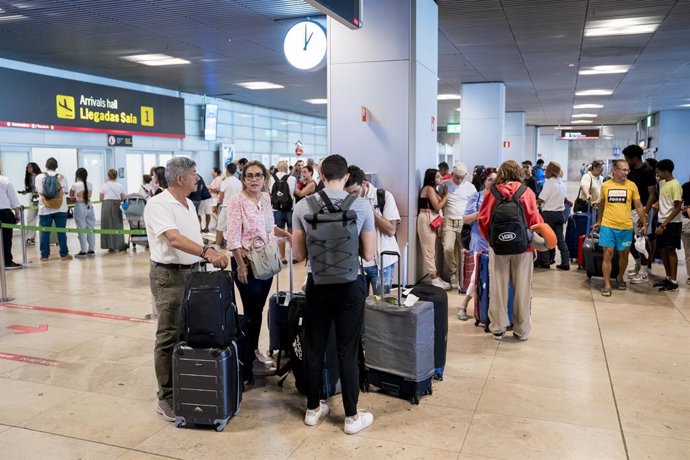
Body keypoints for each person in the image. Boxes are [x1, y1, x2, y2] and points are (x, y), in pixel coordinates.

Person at [292, 154, 375, 435]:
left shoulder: (303, 206)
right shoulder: (361, 205)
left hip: (317, 285)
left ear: (321, 176)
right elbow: (369, 253)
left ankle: (313, 409)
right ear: (346, 177)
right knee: (347, 349)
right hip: (350, 286)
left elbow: (298, 254)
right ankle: (352, 416)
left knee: (314, 347)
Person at [145, 157, 229, 422]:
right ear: (180, 178)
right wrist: (207, 251)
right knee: (169, 336)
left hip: (193, 275)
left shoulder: (189, 205)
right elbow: (174, 239)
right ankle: (166, 397)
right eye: (194, 174)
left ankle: (185, 387)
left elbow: (190, 239)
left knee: (188, 333)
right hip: (169, 277)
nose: (198, 178)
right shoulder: (158, 204)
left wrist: (210, 251)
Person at [225, 161, 292, 376]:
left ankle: (252, 352)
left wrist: (288, 235)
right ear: (243, 179)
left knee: (259, 309)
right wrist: (241, 265)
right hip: (247, 262)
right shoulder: (237, 202)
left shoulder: (264, 198)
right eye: (249, 176)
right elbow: (233, 237)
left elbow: (268, 227)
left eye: (258, 175)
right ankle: (248, 357)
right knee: (252, 310)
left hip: (266, 261)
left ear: (265, 179)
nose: (254, 180)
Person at [478, 160, 543, 340]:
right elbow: (535, 221)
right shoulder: (527, 192)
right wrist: (533, 244)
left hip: (498, 248)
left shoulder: (492, 193)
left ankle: (498, 328)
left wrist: (492, 241)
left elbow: (483, 220)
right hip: (523, 248)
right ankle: (521, 330)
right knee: (522, 289)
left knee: (498, 288)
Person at [592, 159, 647, 297]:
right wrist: (599, 221)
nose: (626, 172)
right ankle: (606, 284)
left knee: (624, 255)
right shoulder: (606, 185)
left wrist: (645, 223)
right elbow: (602, 204)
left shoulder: (632, 185)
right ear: (614, 170)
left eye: (627, 170)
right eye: (623, 170)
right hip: (608, 225)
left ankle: (620, 277)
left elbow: (639, 205)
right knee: (607, 254)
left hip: (626, 226)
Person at [344, 164, 400, 294]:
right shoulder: (345, 201)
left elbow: (391, 230)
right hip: (357, 263)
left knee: (381, 305)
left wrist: (369, 212)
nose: (352, 197)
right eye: (348, 193)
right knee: (358, 303)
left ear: (364, 183)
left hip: (382, 263)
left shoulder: (384, 197)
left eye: (355, 192)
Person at [458, 167, 497, 320]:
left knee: (492, 276)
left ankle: (484, 306)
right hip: (479, 240)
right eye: (490, 180)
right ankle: (464, 304)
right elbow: (466, 219)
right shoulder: (476, 197)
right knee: (478, 273)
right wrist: (482, 213)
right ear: (483, 181)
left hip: (495, 240)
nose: (493, 182)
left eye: (495, 179)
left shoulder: (500, 197)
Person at [623, 145, 657, 284]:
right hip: (629, 211)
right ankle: (638, 264)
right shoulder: (630, 173)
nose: (626, 162)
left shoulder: (647, 172)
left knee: (642, 241)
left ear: (635, 158)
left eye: (627, 159)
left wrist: (644, 213)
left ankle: (644, 271)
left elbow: (652, 194)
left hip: (641, 209)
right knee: (630, 240)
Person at [441, 162, 476, 289]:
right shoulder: (445, 185)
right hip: (449, 220)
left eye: (462, 178)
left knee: (464, 251)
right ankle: (453, 273)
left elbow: (473, 206)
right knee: (447, 248)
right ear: (452, 174)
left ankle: (464, 276)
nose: (459, 180)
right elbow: (440, 202)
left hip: (464, 221)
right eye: (457, 177)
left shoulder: (471, 187)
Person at [417, 168, 450, 290]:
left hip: (429, 219)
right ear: (431, 178)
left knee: (431, 249)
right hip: (426, 219)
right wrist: (446, 196)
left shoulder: (432, 190)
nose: (440, 178)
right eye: (437, 177)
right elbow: (437, 206)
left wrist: (442, 195)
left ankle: (435, 276)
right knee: (429, 250)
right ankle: (434, 278)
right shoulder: (429, 189)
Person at [653, 159, 683, 291]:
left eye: (659, 171)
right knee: (662, 250)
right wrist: (657, 205)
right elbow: (665, 201)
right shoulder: (662, 183)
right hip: (661, 221)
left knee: (670, 250)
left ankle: (674, 282)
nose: (657, 174)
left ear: (665, 171)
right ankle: (668, 278)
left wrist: (664, 224)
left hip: (672, 224)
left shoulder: (675, 185)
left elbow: (677, 207)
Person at [35, 157, 71, 261]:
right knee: (61, 231)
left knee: (45, 232)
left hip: (44, 208)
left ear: (46, 166)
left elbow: (40, 191)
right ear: (56, 167)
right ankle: (64, 254)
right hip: (60, 208)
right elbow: (66, 192)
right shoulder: (62, 177)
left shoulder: (39, 177)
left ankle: (45, 255)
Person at [535, 161, 570, 270]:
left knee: (544, 238)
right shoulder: (561, 183)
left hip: (549, 215)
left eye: (546, 170)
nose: (545, 172)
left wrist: (532, 202)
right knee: (560, 240)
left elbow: (541, 199)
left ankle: (545, 262)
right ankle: (565, 263)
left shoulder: (549, 183)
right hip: (560, 214)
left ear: (550, 172)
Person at [269, 160, 297, 264]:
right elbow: (294, 192)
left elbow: (269, 192)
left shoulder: (271, 179)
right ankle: (294, 256)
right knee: (291, 233)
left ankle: (283, 257)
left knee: (280, 233)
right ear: (286, 169)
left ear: (277, 168)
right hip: (290, 208)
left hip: (276, 209)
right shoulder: (292, 178)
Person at [69, 168, 96, 257]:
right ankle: (91, 249)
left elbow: (71, 195)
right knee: (91, 228)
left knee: (81, 228)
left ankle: (83, 250)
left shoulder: (75, 185)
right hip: (89, 206)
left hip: (80, 206)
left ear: (77, 176)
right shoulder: (90, 184)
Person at [99, 168, 127, 253]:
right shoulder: (119, 186)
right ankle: (118, 244)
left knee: (107, 224)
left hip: (106, 205)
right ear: (116, 176)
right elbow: (123, 198)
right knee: (117, 224)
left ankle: (108, 245)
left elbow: (101, 198)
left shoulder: (104, 185)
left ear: (108, 176)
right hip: (116, 205)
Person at [215, 162, 243, 246]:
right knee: (234, 229)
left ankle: (217, 247)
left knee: (220, 228)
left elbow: (221, 196)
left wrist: (219, 202)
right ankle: (234, 247)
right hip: (237, 208)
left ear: (226, 171)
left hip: (226, 207)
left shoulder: (225, 182)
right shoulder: (239, 182)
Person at [0, 173, 22, 269]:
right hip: (4, 212)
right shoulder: (5, 180)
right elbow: (13, 198)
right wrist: (17, 213)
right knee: (6, 238)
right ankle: (7, 262)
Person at [21, 162, 41, 246]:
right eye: (27, 168)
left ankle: (31, 237)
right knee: (30, 218)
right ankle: (30, 237)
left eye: (30, 167)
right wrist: (26, 191)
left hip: (40, 198)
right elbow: (31, 189)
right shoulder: (29, 177)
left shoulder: (40, 176)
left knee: (40, 218)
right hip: (33, 198)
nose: (28, 169)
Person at [681, 174, 690, 286]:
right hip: (686, 223)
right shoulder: (685, 187)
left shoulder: (684, 186)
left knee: (688, 252)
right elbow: (679, 205)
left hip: (686, 221)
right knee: (688, 252)